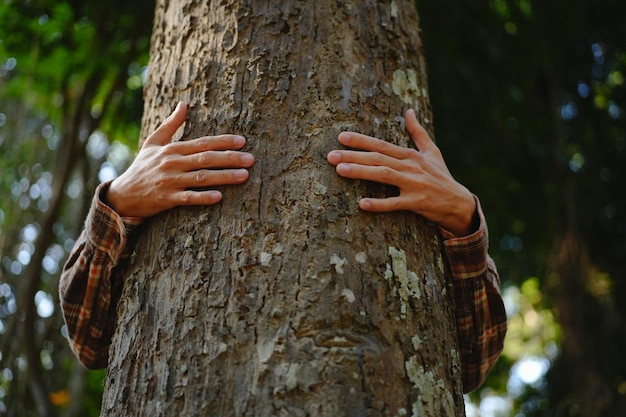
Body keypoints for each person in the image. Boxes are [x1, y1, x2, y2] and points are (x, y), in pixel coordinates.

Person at [59, 102, 506, 393]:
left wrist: (464, 220)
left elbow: (470, 365)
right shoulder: (144, 193)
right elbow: (89, 339)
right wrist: (115, 203)